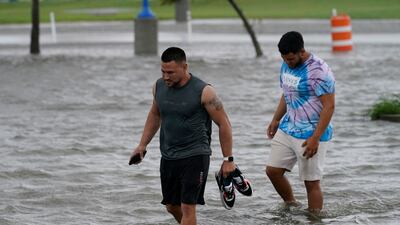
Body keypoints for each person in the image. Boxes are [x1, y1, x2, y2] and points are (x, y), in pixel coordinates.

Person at [131, 47, 236, 225]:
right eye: (163, 71)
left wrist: (228, 159)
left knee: (188, 207)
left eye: (170, 72)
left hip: (195, 155)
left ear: (185, 67)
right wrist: (142, 145)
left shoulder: (205, 91)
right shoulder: (158, 87)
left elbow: (224, 123)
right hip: (169, 155)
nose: (165, 77)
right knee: (171, 206)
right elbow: (155, 115)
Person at [266, 31, 335, 213]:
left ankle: (314, 219)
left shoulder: (319, 71)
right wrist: (276, 119)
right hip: (288, 127)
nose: (287, 62)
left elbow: (329, 107)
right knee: (273, 171)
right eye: (284, 58)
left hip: (310, 133)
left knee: (311, 182)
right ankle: (291, 205)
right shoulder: (286, 64)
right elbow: (287, 92)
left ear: (302, 51)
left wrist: (316, 138)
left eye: (290, 59)